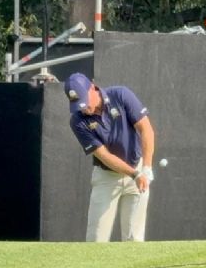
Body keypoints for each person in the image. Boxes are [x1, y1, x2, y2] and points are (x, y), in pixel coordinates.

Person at [64, 72, 155, 242]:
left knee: (134, 239)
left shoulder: (121, 95)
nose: (83, 107)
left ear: (92, 88)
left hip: (138, 168)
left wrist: (146, 168)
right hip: (106, 177)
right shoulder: (77, 121)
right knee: (96, 239)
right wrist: (134, 174)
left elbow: (146, 129)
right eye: (77, 104)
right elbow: (104, 155)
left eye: (84, 101)